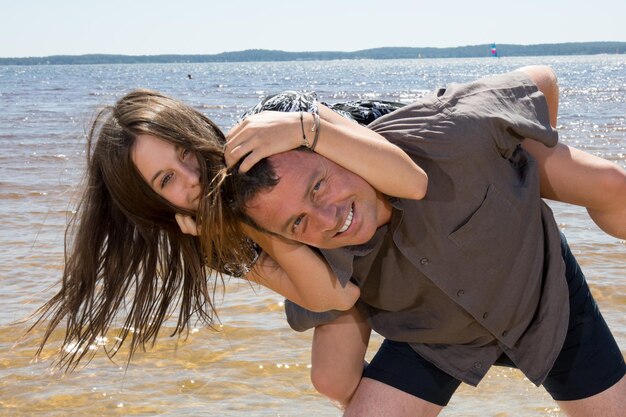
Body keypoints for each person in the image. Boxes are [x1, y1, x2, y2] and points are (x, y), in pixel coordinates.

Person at [221, 65, 626, 416]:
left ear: (342, 147)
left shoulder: (450, 128)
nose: (328, 218)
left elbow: (542, 79)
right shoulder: (311, 251)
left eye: (319, 186)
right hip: (434, 338)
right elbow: (332, 370)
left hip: (544, 301)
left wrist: (523, 174)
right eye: (298, 221)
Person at [30, 86, 426, 369]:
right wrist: (246, 226)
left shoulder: (271, 128)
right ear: (154, 203)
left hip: (406, 153)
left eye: (184, 150)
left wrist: (303, 127)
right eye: (167, 180)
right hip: (352, 249)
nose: (192, 175)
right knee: (331, 382)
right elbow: (333, 299)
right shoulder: (211, 241)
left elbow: (413, 182)